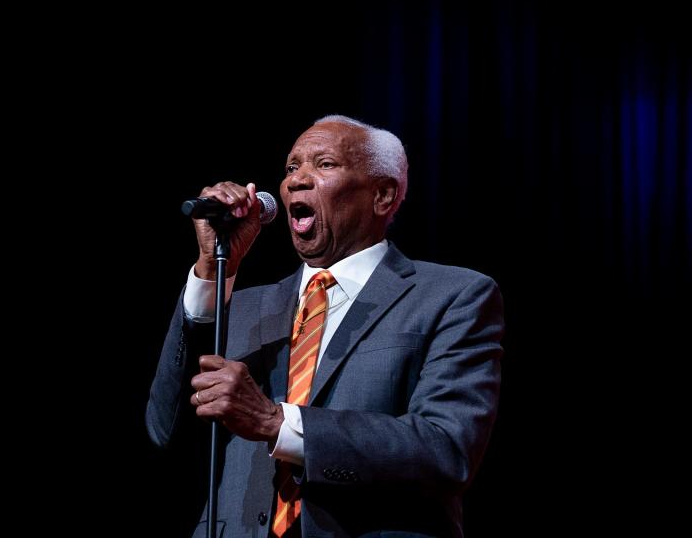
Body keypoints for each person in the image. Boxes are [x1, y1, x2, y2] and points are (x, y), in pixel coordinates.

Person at [146, 115, 504, 538]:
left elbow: (446, 449)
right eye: (292, 167)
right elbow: (165, 430)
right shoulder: (241, 307)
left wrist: (279, 424)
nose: (297, 180)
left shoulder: (452, 296)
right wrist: (211, 269)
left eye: (325, 164)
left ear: (383, 195)